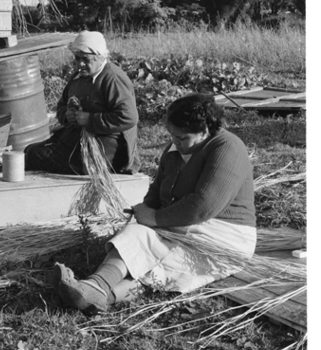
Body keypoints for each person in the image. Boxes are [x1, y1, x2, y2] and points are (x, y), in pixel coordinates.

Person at [53, 93, 256, 314]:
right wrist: (145, 212)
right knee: (137, 234)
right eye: (172, 135)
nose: (175, 142)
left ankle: (99, 295)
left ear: (205, 131)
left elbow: (204, 205)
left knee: (163, 262)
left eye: (182, 138)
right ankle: (96, 287)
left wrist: (156, 218)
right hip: (181, 223)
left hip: (223, 235)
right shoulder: (175, 149)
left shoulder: (227, 147)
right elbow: (159, 189)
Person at [24, 31, 139, 175]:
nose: (80, 64)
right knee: (30, 150)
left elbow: (128, 117)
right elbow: (62, 105)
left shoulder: (112, 79)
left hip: (107, 147)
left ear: (100, 56)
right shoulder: (78, 77)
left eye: (85, 59)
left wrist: (90, 119)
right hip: (77, 139)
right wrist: (67, 115)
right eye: (77, 59)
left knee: (36, 157)